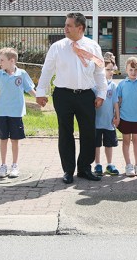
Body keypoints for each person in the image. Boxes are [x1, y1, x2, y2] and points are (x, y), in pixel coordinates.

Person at [36, 12, 107, 184]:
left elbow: (100, 71)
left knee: (89, 133)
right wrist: (41, 92)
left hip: (86, 95)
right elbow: (47, 70)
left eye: (69, 25)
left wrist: (102, 93)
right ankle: (68, 170)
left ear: (80, 28)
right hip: (63, 95)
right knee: (65, 133)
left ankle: (84, 168)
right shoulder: (58, 47)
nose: (65, 28)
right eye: (65, 24)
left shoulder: (93, 46)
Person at [0, 47, 36, 178]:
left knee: (15, 140)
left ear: (12, 60)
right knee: (3, 139)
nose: (0, 63)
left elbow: (30, 89)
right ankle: (3, 165)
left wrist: (40, 99)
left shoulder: (22, 74)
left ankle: (15, 165)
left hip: (16, 113)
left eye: (2, 60)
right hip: (2, 112)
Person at [93, 56, 120, 176]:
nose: (111, 72)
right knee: (96, 144)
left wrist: (117, 117)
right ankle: (97, 164)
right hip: (96, 122)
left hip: (109, 122)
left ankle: (109, 164)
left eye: (112, 69)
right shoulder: (95, 86)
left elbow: (115, 103)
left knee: (109, 144)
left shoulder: (113, 86)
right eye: (108, 69)